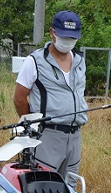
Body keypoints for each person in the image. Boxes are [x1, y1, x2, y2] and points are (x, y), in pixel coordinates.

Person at [13, 10, 88, 184]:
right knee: (44, 187)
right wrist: (32, 125)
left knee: (69, 188)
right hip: (47, 135)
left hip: (74, 136)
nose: (68, 41)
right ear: (52, 33)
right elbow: (19, 98)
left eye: (72, 38)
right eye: (64, 36)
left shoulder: (79, 61)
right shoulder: (35, 61)